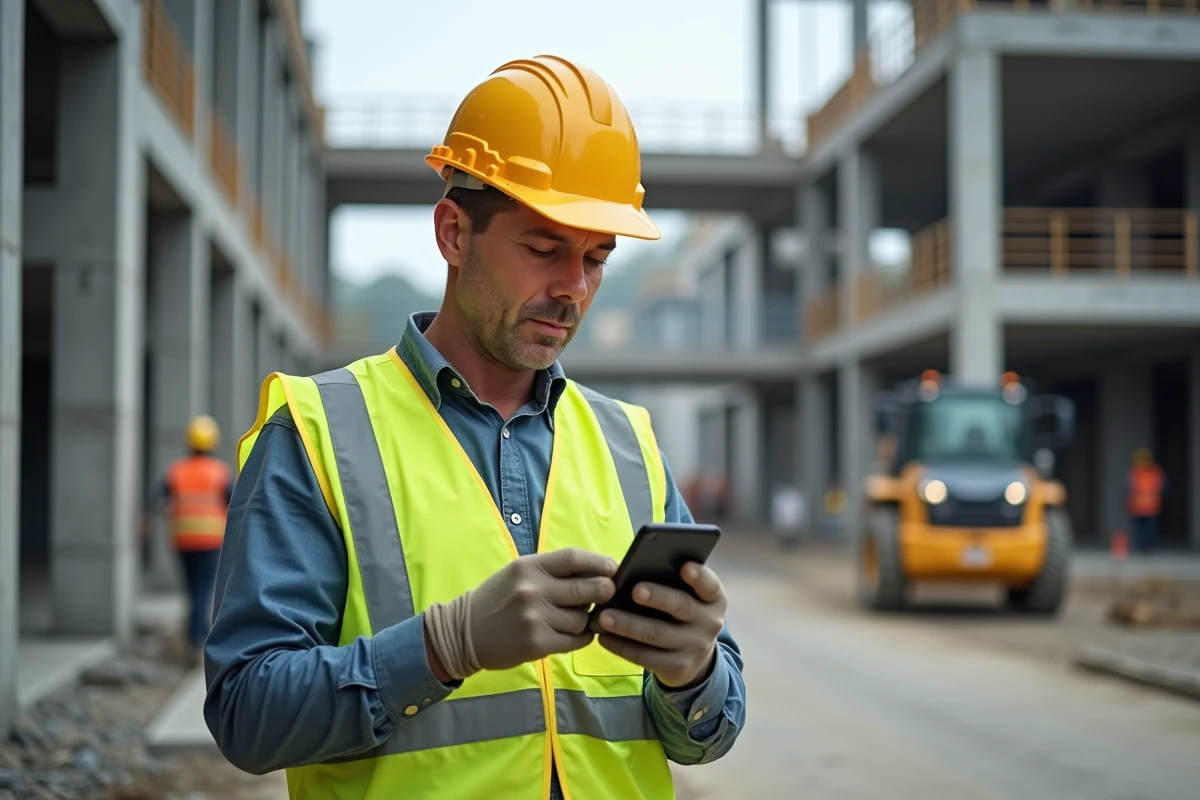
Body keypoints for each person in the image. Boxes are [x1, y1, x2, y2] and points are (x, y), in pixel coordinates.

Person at [204, 55, 745, 799]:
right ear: (454, 234)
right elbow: (248, 717)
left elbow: (704, 735)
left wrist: (696, 672)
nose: (573, 288)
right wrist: (443, 645)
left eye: (596, 257)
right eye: (544, 248)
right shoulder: (317, 431)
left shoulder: (630, 444)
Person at [155, 414, 233, 662]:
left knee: (192, 588)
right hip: (210, 540)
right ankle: (197, 637)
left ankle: (194, 634)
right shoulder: (220, 472)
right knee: (203, 589)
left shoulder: (177, 471)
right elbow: (234, 502)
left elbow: (160, 501)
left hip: (183, 539)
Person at [1126, 447, 1166, 553]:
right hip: (1137, 507)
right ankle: (1140, 548)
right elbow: (1127, 488)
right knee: (1139, 529)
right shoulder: (1134, 471)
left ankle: (1149, 548)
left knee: (1149, 529)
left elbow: (1162, 487)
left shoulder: (1155, 471)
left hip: (1151, 507)